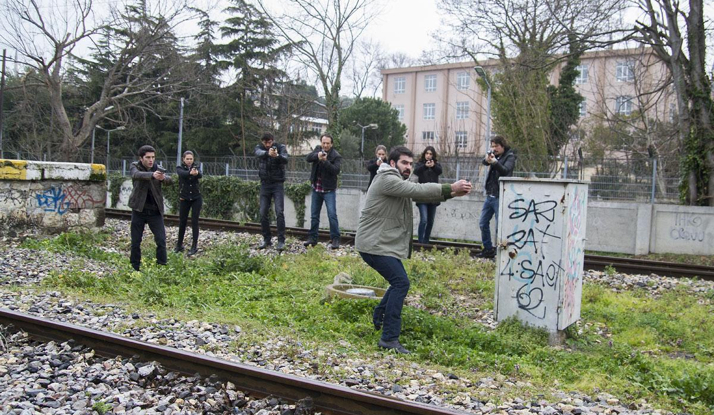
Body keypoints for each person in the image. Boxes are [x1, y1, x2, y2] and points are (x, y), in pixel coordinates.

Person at [355, 146, 472, 354]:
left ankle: (381, 315)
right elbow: (417, 191)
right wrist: (449, 187)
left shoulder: (397, 182)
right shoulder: (386, 179)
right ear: (393, 164)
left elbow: (419, 195)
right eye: (404, 163)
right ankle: (389, 338)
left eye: (410, 164)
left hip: (382, 244)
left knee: (398, 282)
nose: (408, 167)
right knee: (401, 283)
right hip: (373, 244)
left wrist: (453, 193)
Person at [128, 145, 173, 271]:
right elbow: (136, 175)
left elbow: (170, 180)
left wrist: (163, 178)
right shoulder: (135, 166)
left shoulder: (158, 168)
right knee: (136, 242)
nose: (151, 160)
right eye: (148, 157)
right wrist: (152, 175)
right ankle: (135, 268)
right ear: (141, 158)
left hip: (155, 211)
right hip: (139, 209)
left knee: (161, 240)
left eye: (153, 157)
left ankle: (162, 267)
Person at [478, 135, 516, 258]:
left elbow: (505, 171)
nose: (494, 149)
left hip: (501, 195)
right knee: (483, 223)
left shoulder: (509, 156)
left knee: (499, 227)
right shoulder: (496, 156)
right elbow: (484, 162)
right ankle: (488, 249)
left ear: (502, 146)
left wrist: (495, 162)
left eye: (497, 146)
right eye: (493, 146)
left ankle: (500, 253)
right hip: (490, 195)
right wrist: (489, 159)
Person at [304, 134, 342, 249]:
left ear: (331, 144)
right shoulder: (317, 150)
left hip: (329, 190)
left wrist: (325, 161)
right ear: (321, 143)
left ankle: (335, 239)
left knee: (332, 215)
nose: (325, 145)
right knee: (314, 215)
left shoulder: (336, 156)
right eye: (323, 143)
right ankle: (312, 238)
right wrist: (317, 156)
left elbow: (336, 170)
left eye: (327, 143)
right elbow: (308, 158)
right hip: (316, 188)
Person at [254, 132, 289, 250]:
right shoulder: (260, 148)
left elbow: (285, 159)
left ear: (273, 141)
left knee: (279, 212)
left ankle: (281, 240)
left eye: (269, 142)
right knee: (263, 212)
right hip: (265, 184)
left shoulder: (281, 147)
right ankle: (266, 239)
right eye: (265, 142)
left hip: (277, 184)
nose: (268, 145)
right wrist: (267, 153)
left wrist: (276, 156)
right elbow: (258, 153)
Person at [175, 151, 203, 256]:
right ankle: (179, 245)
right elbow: (182, 174)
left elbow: (200, 175)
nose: (189, 161)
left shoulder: (196, 167)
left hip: (196, 198)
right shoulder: (180, 168)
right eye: (187, 159)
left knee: (194, 221)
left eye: (191, 159)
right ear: (183, 159)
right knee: (182, 221)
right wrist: (189, 173)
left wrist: (196, 173)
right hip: (185, 198)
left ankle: (194, 246)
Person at [412, 146, 442, 244]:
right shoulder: (420, 164)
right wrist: (425, 166)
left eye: (430, 154)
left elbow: (439, 171)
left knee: (430, 221)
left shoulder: (436, 164)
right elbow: (416, 171)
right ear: (424, 154)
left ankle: (426, 241)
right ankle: (420, 241)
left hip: (433, 196)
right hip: (422, 196)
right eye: (427, 153)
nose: (428, 156)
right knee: (424, 220)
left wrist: (433, 166)